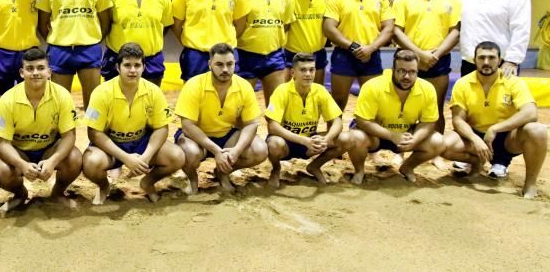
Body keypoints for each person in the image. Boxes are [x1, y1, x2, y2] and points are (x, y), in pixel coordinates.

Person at [440, 41, 547, 198]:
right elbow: (458, 120)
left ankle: (529, 183)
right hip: (475, 137)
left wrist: (495, 129)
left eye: (491, 57)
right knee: (442, 144)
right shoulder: (463, 83)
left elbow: (531, 113)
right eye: (481, 57)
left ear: (500, 60)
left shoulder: (513, 81)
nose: (486, 62)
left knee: (537, 130)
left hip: (507, 138)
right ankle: (476, 161)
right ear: (474, 60)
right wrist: (475, 140)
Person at [83, 43, 184, 204]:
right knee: (90, 162)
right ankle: (103, 186)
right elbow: (94, 133)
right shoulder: (100, 93)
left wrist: (146, 157)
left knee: (177, 156)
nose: (132, 70)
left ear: (144, 67)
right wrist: (126, 158)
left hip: (141, 143)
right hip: (111, 145)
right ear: (118, 67)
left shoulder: (154, 91)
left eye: (137, 65)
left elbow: (162, 129)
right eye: (127, 65)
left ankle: (148, 183)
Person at [0, 47, 81, 210]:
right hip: (20, 152)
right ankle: (20, 194)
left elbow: (69, 136)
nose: (35, 73)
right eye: (30, 69)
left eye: (40, 68)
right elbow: (2, 143)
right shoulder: (7, 99)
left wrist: (53, 161)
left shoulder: (62, 95)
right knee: (0, 168)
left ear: (49, 72)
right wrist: (21, 164)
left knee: (74, 157)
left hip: (49, 149)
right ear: (21, 72)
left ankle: (58, 193)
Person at [174, 43, 268, 193]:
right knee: (189, 153)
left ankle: (222, 172)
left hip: (226, 135)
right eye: (219, 64)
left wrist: (236, 151)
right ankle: (192, 179)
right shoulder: (194, 85)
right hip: (197, 137)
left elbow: (251, 124)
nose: (225, 69)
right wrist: (216, 151)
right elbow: (187, 126)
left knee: (260, 150)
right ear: (210, 64)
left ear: (234, 64)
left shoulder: (244, 86)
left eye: (229, 64)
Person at [37, 0, 112, 108]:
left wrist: (92, 39)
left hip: (89, 49)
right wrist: (58, 39)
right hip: (59, 50)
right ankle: (61, 137)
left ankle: (93, 137)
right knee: (57, 105)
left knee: (94, 106)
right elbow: (42, 23)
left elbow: (105, 20)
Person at [350, 49, 446, 184]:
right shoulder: (373, 86)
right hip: (376, 135)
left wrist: (414, 140)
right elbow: (362, 120)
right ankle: (359, 170)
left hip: (406, 135)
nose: (407, 76)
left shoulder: (427, 88)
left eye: (412, 72)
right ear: (393, 69)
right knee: (355, 138)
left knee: (439, 141)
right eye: (401, 71)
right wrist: (392, 135)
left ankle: (407, 168)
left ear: (418, 71)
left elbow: (429, 122)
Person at [392, 0, 461, 135]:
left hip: (438, 60)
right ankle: (401, 149)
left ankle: (435, 152)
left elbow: (455, 31)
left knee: (436, 107)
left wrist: (435, 55)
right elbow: (396, 31)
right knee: (402, 107)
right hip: (407, 59)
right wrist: (420, 55)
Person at [265, 53, 355, 187]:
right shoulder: (281, 91)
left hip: (311, 141)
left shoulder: (320, 90)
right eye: (303, 70)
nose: (308, 74)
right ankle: (276, 169)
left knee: (347, 138)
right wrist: (304, 141)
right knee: (273, 143)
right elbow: (272, 127)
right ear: (293, 73)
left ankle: (314, 166)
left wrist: (326, 139)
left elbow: (337, 122)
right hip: (287, 143)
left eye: (311, 70)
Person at [323, 0, 395, 111]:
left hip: (372, 54)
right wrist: (353, 47)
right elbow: (328, 27)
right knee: (338, 102)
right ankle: (334, 135)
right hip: (344, 55)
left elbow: (389, 27)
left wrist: (371, 48)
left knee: (373, 102)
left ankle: (369, 134)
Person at [454, 0, 531, 77]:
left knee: (502, 98)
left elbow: (521, 29)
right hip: (470, 64)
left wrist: (512, 61)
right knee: (471, 98)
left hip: (504, 65)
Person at [102, 0, 172, 86]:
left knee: (150, 103)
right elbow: (105, 24)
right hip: (117, 58)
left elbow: (166, 25)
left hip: (151, 60)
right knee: (115, 103)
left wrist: (150, 38)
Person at [236, 0, 295, 104]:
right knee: (240, 108)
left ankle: (274, 131)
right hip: (246, 56)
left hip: (274, 56)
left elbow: (287, 25)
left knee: (276, 107)